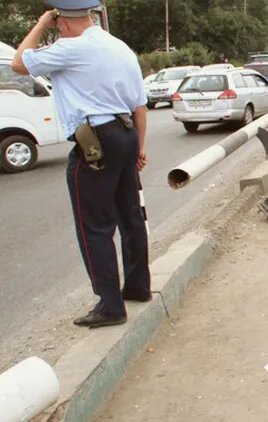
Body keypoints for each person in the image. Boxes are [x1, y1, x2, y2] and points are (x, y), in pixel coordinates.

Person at [11, 0, 150, 328]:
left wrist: (41, 24)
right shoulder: (120, 47)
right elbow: (140, 105)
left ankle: (110, 306)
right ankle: (137, 287)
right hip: (126, 133)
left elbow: (19, 62)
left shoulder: (69, 48)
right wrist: (140, 148)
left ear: (62, 21)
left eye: (56, 21)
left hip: (95, 142)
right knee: (130, 216)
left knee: (94, 227)